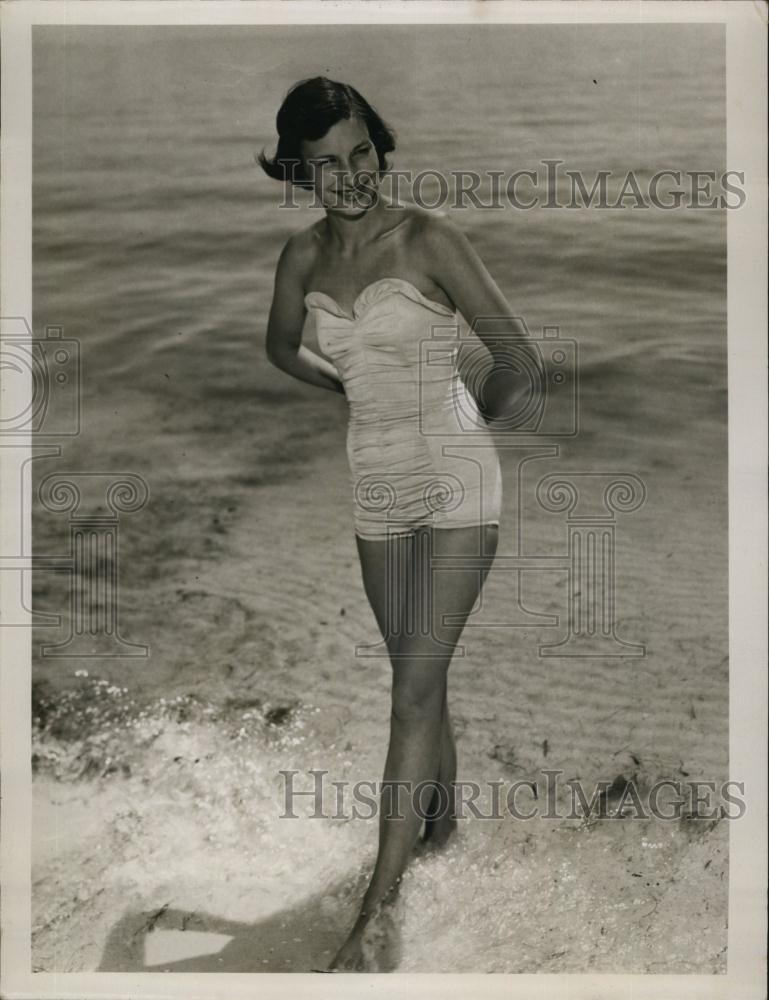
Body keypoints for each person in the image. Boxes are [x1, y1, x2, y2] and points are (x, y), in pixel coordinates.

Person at [259, 76, 536, 972]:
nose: (350, 177)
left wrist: (467, 426)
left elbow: (519, 359)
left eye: (362, 155)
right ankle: (442, 832)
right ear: (299, 171)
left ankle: (376, 913)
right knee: (422, 676)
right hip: (372, 485)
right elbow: (277, 346)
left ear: (379, 148)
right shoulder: (300, 259)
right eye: (326, 164)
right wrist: (339, 383)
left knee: (410, 691)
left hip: (455, 478)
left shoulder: (429, 238)